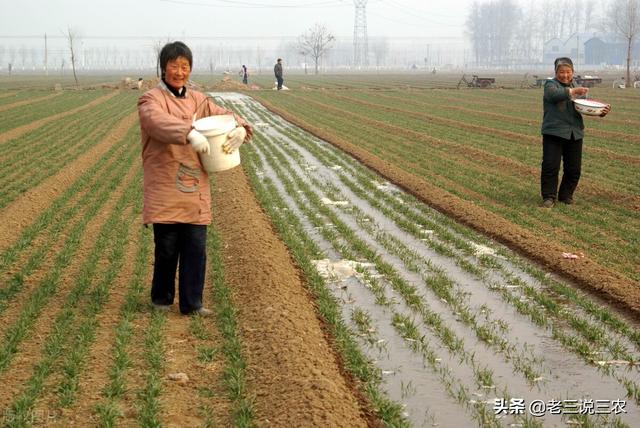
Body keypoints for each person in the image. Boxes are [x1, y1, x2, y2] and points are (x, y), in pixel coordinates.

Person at [138, 41, 252, 316]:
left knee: (195, 248)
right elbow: (155, 122)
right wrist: (188, 132)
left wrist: (240, 127)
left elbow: (222, 115)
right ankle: (162, 300)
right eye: (174, 66)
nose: (179, 71)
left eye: (184, 66)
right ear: (163, 68)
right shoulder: (151, 99)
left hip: (194, 186)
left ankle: (193, 304)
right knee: (166, 248)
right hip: (165, 184)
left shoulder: (198, 100)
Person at [539, 57, 610, 208]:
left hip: (574, 133)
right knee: (551, 166)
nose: (565, 75)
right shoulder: (550, 85)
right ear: (556, 72)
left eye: (568, 72)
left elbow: (585, 107)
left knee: (573, 169)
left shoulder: (575, 86)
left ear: (573, 72)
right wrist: (572, 91)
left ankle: (566, 195)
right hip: (554, 132)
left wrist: (601, 111)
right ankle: (549, 197)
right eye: (561, 72)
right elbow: (554, 96)